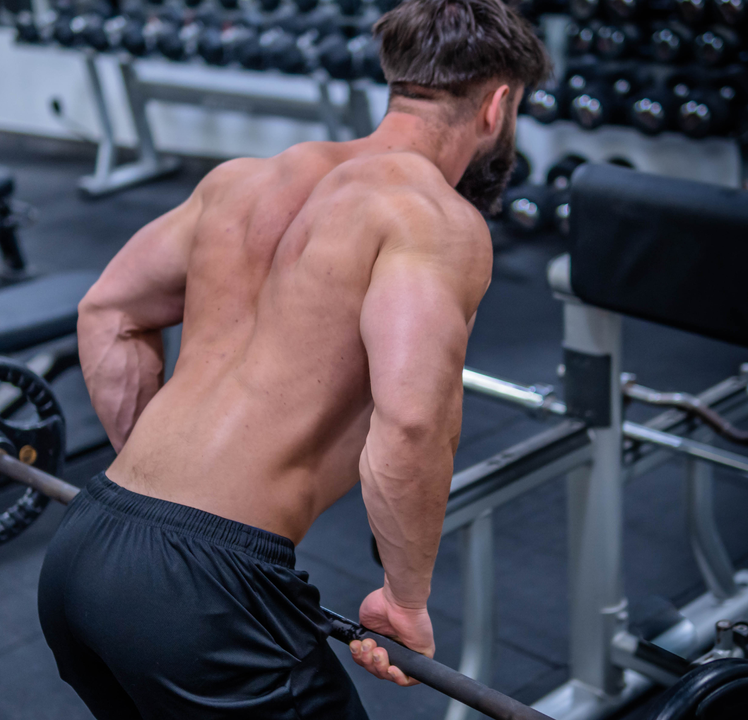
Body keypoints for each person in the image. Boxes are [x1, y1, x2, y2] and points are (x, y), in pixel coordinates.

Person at [39, 0, 551, 716]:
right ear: (498, 105)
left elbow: (109, 312)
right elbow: (410, 423)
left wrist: (151, 492)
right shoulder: (431, 217)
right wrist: (405, 601)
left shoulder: (243, 180)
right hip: (206, 596)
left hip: (85, 545)